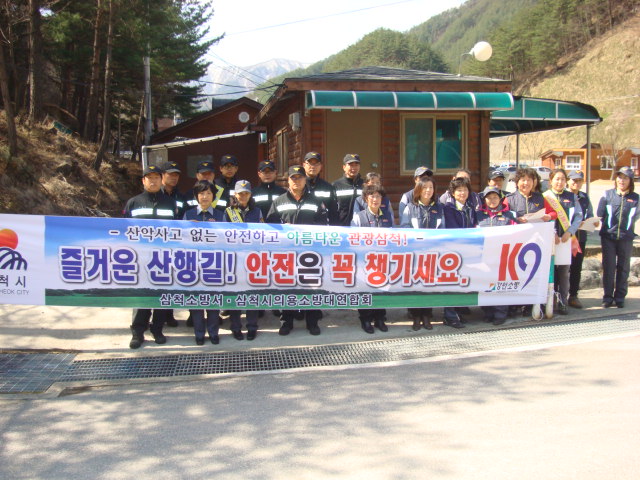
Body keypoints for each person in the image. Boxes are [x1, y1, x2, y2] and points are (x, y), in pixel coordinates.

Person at [267, 165, 327, 335]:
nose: (296, 181)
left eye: (299, 177)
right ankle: (286, 322)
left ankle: (312, 322)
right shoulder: (279, 201)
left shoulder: (315, 201)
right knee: (287, 287)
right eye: (293, 178)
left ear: (304, 179)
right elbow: (270, 226)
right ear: (288, 180)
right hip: (286, 253)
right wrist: (283, 228)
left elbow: (324, 224)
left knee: (312, 287)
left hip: (310, 252)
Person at [123, 164, 177, 349]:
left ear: (161, 180)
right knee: (142, 296)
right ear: (143, 181)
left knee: (161, 295)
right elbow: (124, 230)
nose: (153, 181)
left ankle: (157, 330)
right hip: (140, 258)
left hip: (164, 258)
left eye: (156, 177)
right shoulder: (133, 203)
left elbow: (178, 230)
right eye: (149, 178)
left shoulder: (170, 203)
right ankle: (138, 332)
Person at [504, 167, 554, 317]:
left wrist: (548, 217)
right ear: (517, 182)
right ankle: (514, 305)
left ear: (534, 182)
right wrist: (515, 219)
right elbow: (503, 214)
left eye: (529, 180)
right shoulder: (510, 198)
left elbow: (553, 213)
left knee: (533, 273)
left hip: (536, 243)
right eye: (522, 180)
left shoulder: (541, 198)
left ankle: (530, 304)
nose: (525, 183)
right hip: (516, 244)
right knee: (515, 274)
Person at [400, 176, 444, 330]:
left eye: (431, 187)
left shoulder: (439, 208)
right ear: (418, 189)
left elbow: (443, 229)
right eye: (425, 187)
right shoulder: (410, 207)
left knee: (429, 285)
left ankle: (427, 315)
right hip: (415, 254)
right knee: (415, 285)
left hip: (432, 254)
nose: (428, 190)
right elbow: (405, 228)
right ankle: (416, 316)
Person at [183, 180, 224, 344]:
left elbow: (226, 239)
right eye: (201, 193)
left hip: (214, 264)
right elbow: (182, 239)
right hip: (194, 264)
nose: (205, 197)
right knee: (196, 301)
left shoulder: (220, 215)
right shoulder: (188, 215)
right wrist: (189, 228)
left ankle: (213, 332)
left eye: (208, 193)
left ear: (213, 196)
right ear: (196, 196)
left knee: (213, 300)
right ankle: (199, 334)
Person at [223, 180, 263, 340]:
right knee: (236, 294)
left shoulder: (257, 211)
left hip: (253, 259)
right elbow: (224, 235)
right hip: (235, 259)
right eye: (240, 193)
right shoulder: (228, 212)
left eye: (246, 193)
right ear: (235, 194)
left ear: (250, 194)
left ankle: (252, 326)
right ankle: (236, 327)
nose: (243, 196)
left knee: (252, 294)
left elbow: (263, 233)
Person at [351, 184, 393, 333]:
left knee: (381, 289)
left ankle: (380, 318)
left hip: (382, 260)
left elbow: (393, 237)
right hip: (364, 261)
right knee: (365, 290)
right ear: (365, 198)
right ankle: (366, 319)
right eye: (372, 196)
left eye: (378, 196)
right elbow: (353, 239)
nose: (375, 199)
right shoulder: (359, 217)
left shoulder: (387, 215)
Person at [597, 166, 640, 308]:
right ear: (616, 179)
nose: (622, 180)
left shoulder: (636, 198)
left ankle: (620, 297)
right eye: (620, 177)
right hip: (608, 237)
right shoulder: (607, 195)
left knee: (623, 268)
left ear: (630, 180)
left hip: (626, 238)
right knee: (608, 267)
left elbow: (635, 216)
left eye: (625, 178)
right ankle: (607, 297)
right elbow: (600, 213)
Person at [476, 186, 517, 325]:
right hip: (484, 257)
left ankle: (500, 313)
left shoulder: (508, 215)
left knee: (500, 286)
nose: (492, 200)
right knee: (485, 285)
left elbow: (517, 233)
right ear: (484, 199)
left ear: (500, 199)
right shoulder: (478, 215)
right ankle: (488, 312)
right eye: (489, 197)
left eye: (495, 197)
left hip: (502, 257)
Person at [543, 168, 582, 315]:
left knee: (564, 273)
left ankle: (563, 302)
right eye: (557, 179)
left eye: (563, 179)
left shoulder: (572, 197)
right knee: (550, 272)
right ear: (551, 180)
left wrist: (570, 231)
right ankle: (550, 301)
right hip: (550, 239)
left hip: (565, 239)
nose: (560, 182)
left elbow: (578, 216)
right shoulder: (545, 197)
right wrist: (552, 233)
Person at [441, 177, 478, 328]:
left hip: (467, 251)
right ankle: (449, 316)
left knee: (462, 283)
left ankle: (457, 312)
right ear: (453, 193)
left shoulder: (470, 208)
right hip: (452, 252)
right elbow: (453, 229)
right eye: (459, 190)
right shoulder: (448, 208)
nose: (462, 193)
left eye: (465, 190)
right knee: (451, 283)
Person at [161, 161, 187, 327]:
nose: (174, 177)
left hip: (177, 244)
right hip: (157, 244)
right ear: (163, 176)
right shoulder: (156, 195)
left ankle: (168, 315)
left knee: (171, 281)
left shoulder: (181, 197)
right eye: (170, 174)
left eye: (176, 175)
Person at [567, 170, 597, 308]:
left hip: (580, 238)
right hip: (565, 238)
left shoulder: (584, 197)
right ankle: (558, 296)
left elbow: (589, 214)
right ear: (568, 181)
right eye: (574, 180)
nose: (576, 183)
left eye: (579, 180)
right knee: (561, 269)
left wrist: (592, 222)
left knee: (576, 268)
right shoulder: (563, 196)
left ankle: (573, 295)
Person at [302, 151, 339, 225]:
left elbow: (333, 212)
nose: (313, 166)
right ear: (304, 165)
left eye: (316, 164)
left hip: (321, 228)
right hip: (302, 228)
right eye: (310, 163)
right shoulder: (299, 186)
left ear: (321, 166)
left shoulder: (328, 187)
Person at [332, 154, 364, 226]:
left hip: (361, 228)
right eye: (351, 165)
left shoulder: (365, 185)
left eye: (356, 165)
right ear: (344, 167)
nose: (354, 168)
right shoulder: (336, 185)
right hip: (342, 227)